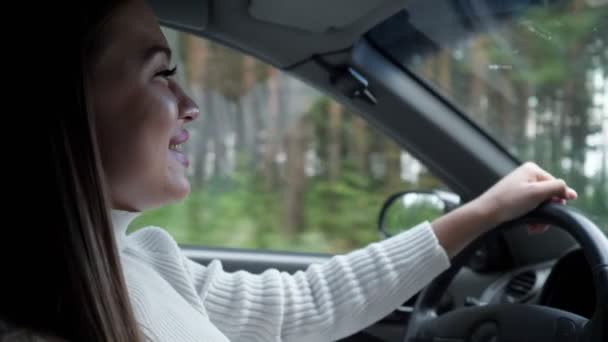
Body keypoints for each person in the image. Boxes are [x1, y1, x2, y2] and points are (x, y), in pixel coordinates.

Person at [0, 0, 577, 341]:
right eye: (160, 73)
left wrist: (483, 211)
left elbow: (300, 305)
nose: (190, 103)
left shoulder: (147, 260)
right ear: (64, 106)